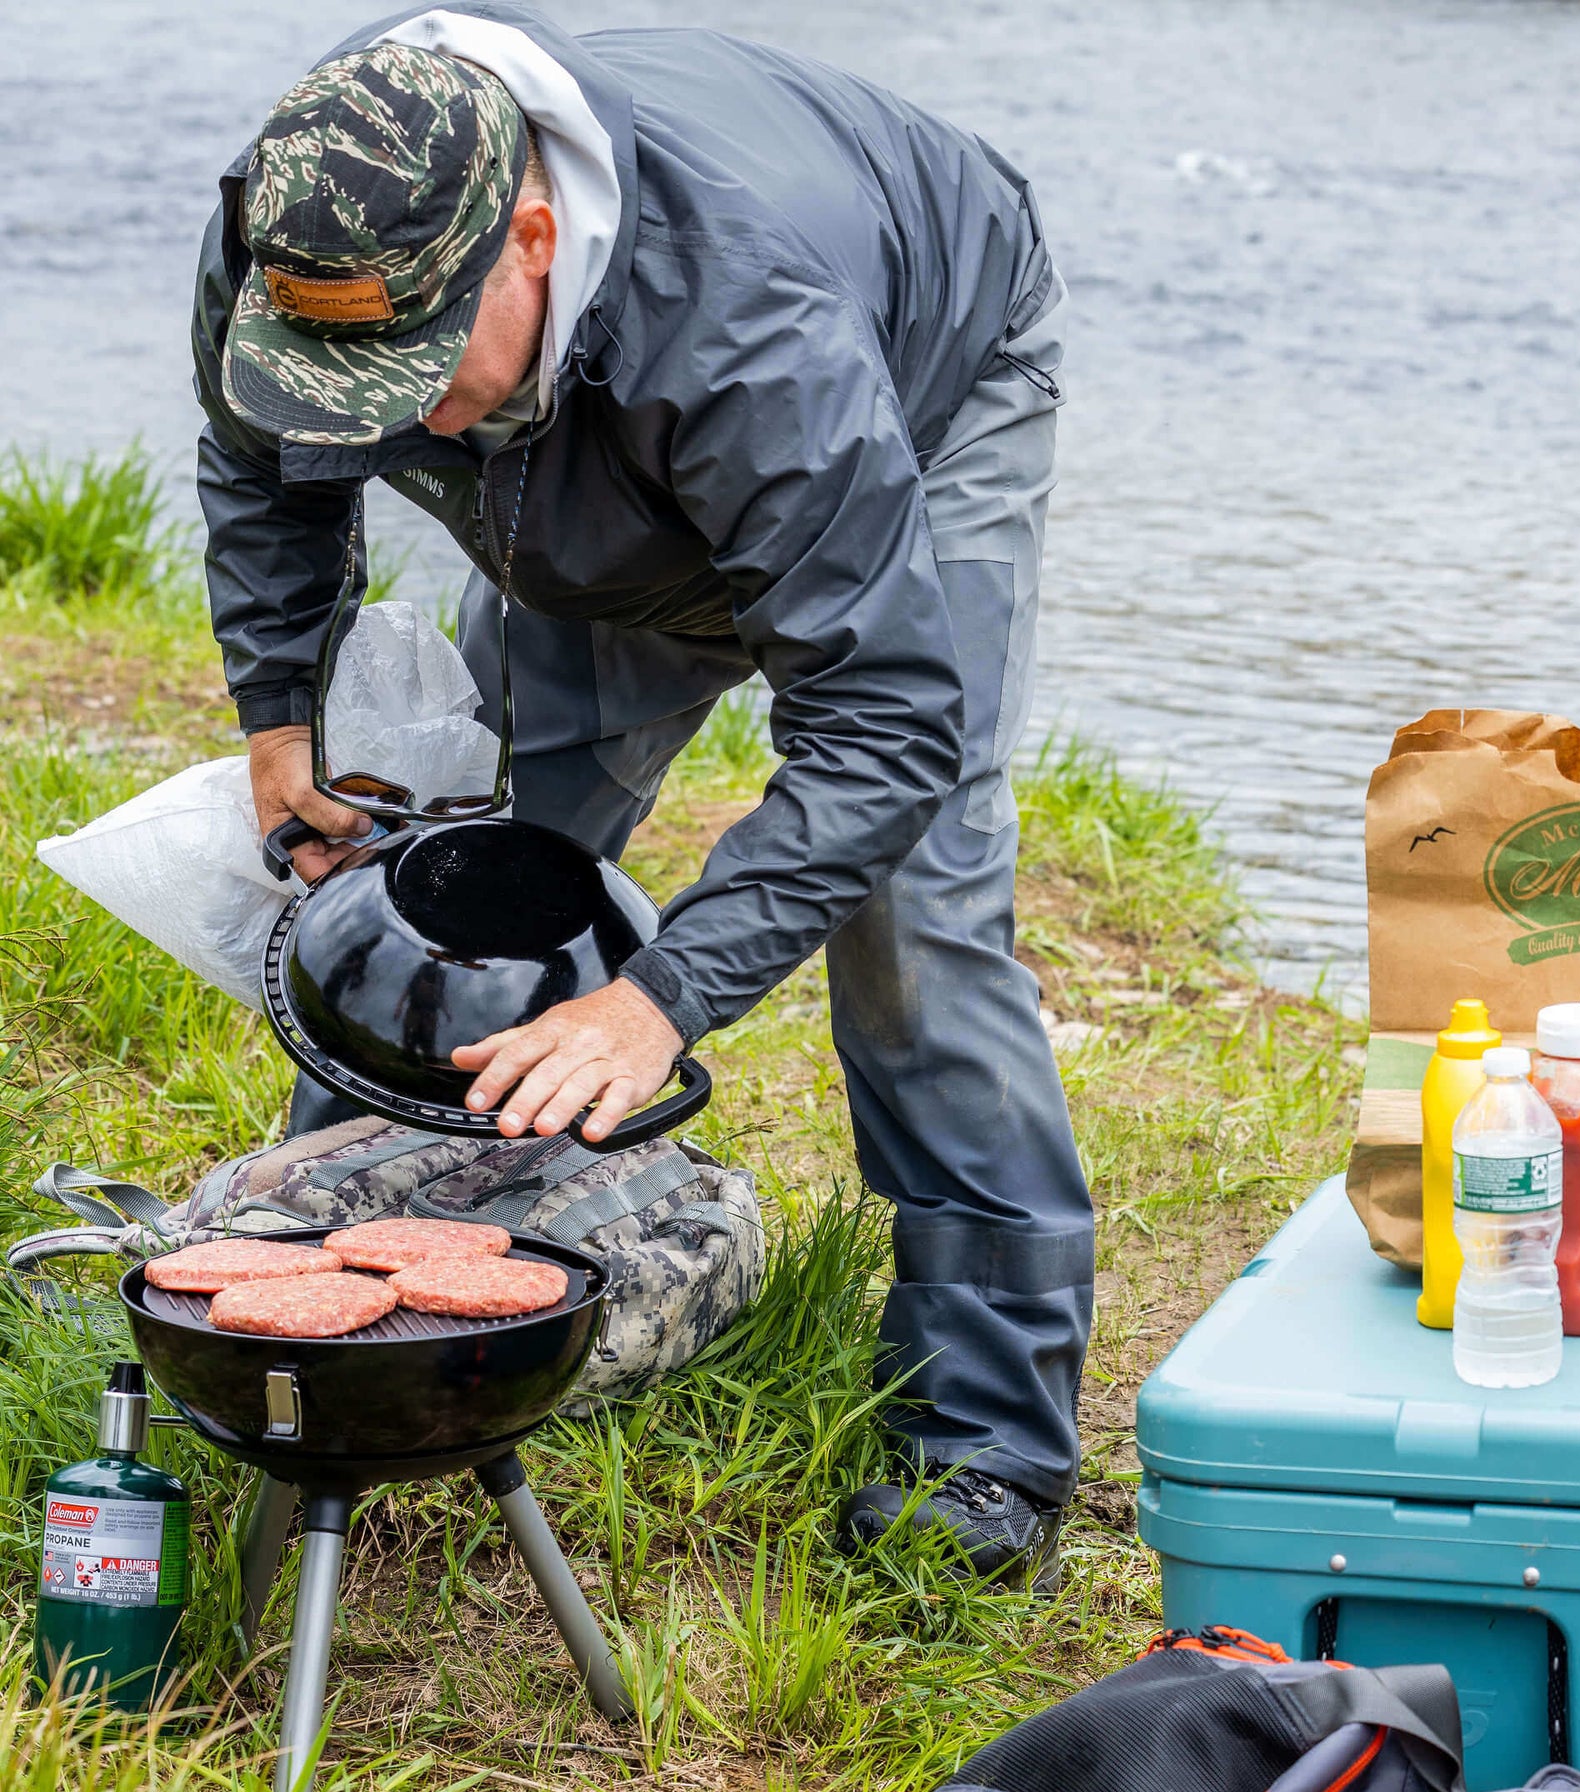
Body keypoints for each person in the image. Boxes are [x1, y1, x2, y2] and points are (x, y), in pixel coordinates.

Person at [192, 2, 1094, 1589]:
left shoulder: (755, 331)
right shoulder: (306, 212)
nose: (383, 419)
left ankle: (985, 1440)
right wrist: (280, 708)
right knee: (479, 864)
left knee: (915, 919)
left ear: (531, 236)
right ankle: (333, 1279)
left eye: (409, 372)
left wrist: (660, 997)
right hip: (592, 464)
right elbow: (264, 453)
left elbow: (885, 725)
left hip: (921, 385)